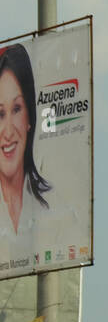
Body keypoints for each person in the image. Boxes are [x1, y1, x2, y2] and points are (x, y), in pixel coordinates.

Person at [0, 44, 54, 238]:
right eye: (0, 114)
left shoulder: (51, 207)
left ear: (29, 118)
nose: (8, 132)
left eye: (16, 109)